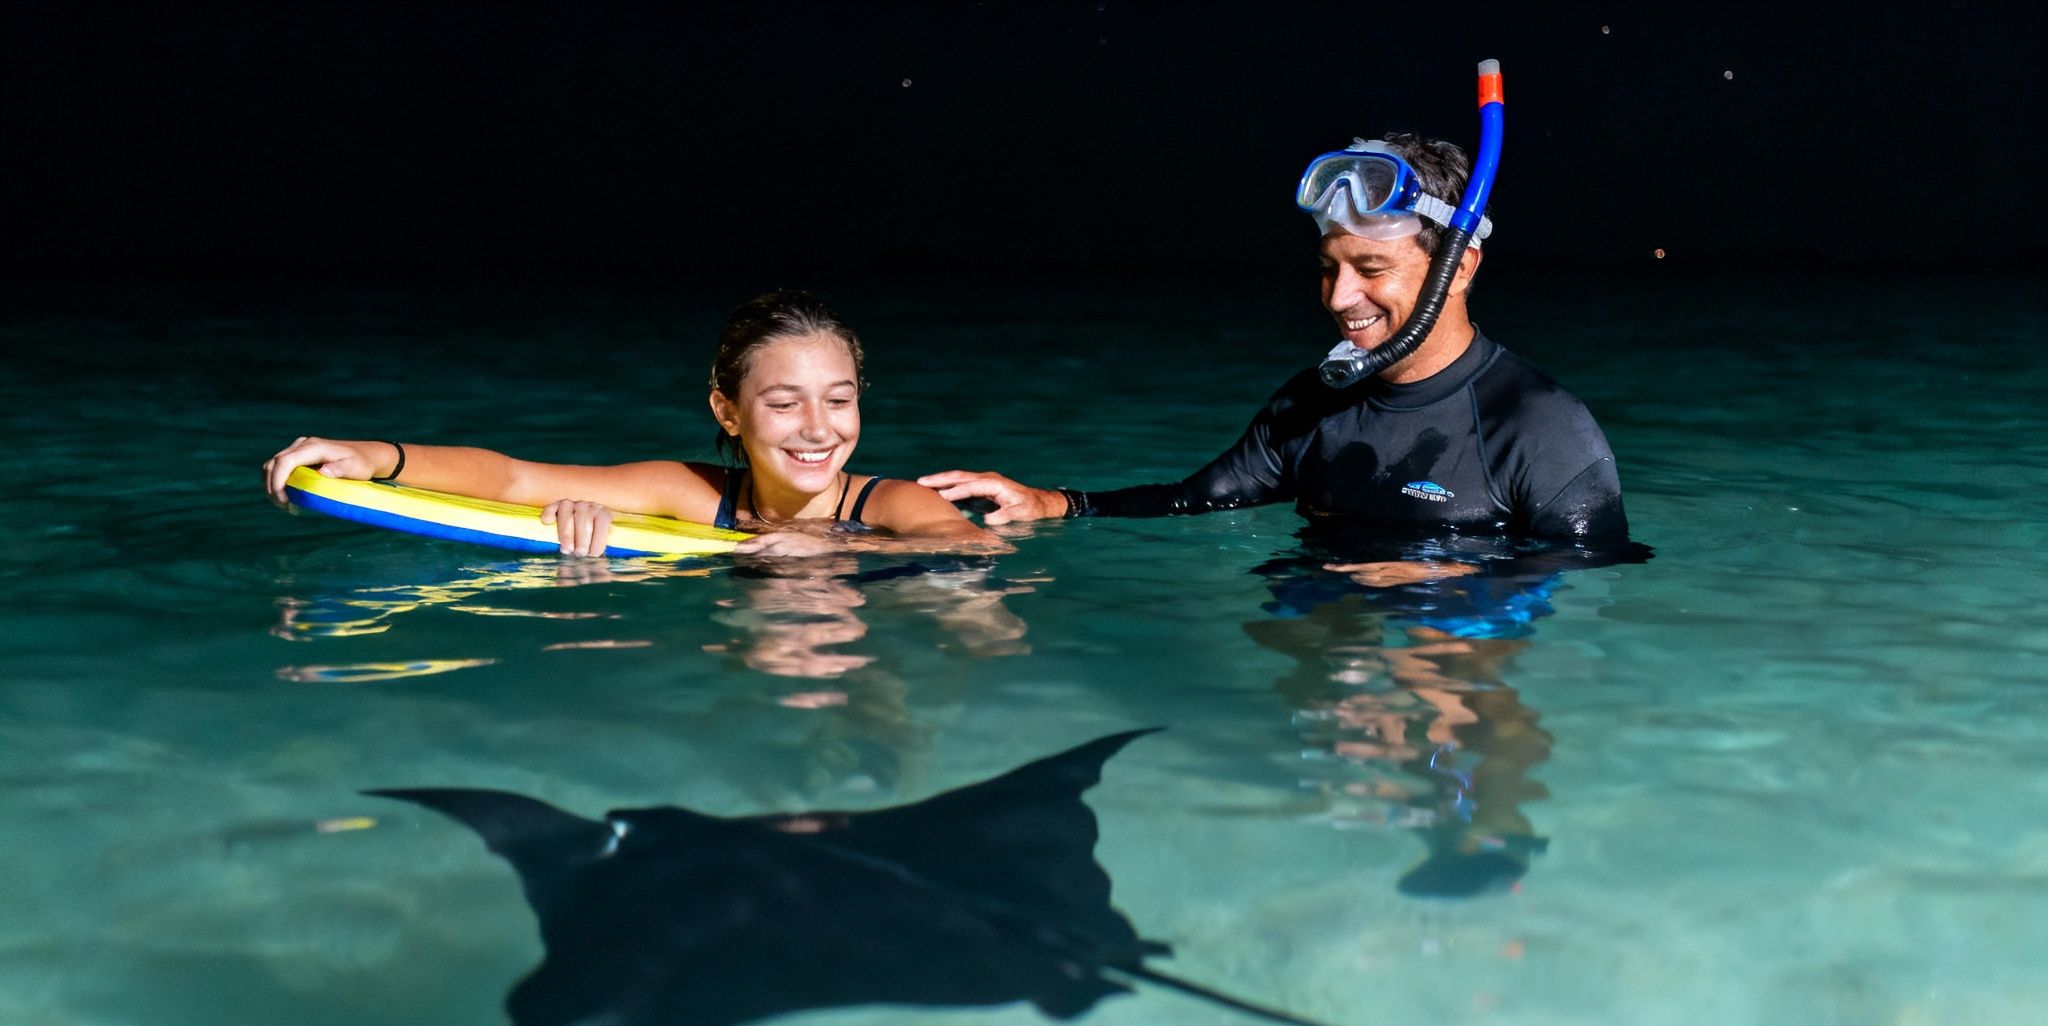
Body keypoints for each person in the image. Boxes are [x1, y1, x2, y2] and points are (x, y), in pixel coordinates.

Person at [919, 133, 1631, 561]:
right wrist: (1057, 505)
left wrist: (1443, 577)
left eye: (1371, 269)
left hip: (1448, 666)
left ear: (1461, 268)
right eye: (1328, 267)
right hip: (1318, 649)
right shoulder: (1313, 402)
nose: (1338, 296)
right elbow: (1196, 501)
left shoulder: (1539, 426)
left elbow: (1596, 572)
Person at [263, 291, 1004, 558]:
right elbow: (515, 478)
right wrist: (372, 456)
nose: (818, 428)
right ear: (728, 411)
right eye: (784, 404)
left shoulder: (891, 506)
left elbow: (975, 558)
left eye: (839, 400)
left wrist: (831, 556)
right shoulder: (684, 493)